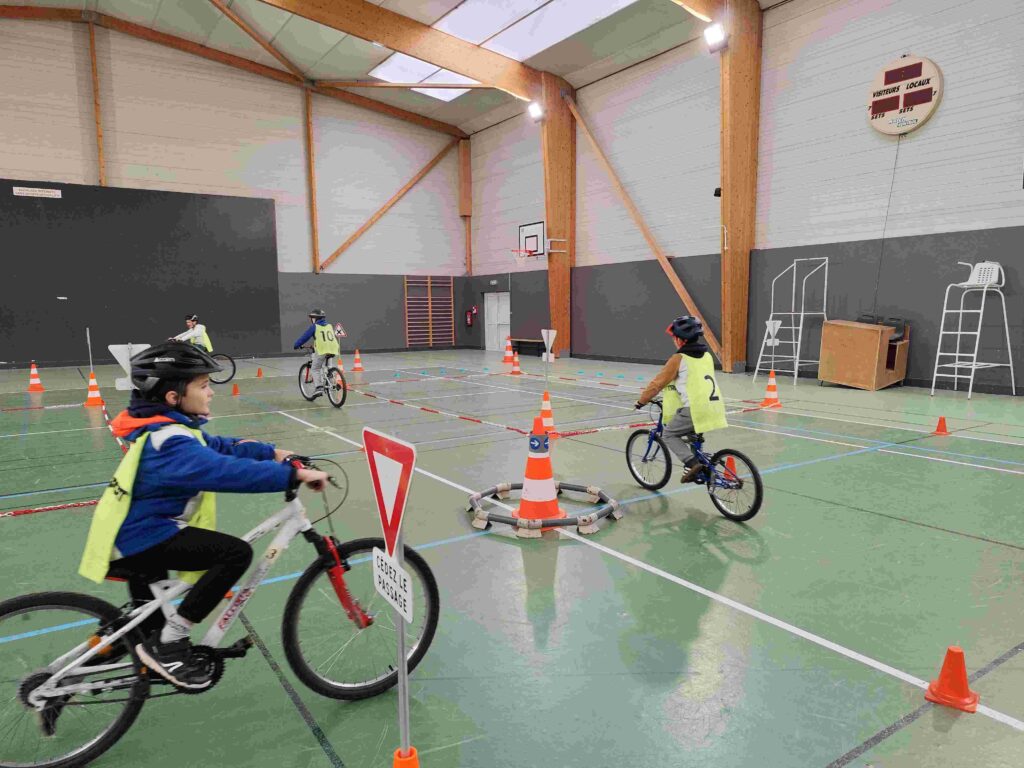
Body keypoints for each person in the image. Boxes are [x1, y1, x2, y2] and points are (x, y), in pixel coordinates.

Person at [78, 341, 328, 690]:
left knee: (143, 625)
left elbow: (220, 446)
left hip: (132, 533)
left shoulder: (169, 429)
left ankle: (70, 676)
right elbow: (222, 470)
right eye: (203, 385)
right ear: (173, 396)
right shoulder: (170, 440)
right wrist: (292, 475)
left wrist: (275, 453)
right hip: (144, 536)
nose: (211, 392)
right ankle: (172, 643)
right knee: (234, 554)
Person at [634, 316, 728, 483]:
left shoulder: (679, 358)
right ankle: (698, 469)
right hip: (715, 406)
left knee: (669, 434)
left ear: (680, 339)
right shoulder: (707, 355)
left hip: (695, 409)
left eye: (674, 338)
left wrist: (641, 401)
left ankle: (692, 464)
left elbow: (657, 384)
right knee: (691, 435)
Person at [293, 308, 340, 397]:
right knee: (329, 367)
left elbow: (305, 337)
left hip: (322, 350)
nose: (311, 320)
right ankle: (332, 382)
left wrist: (296, 345)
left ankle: (319, 387)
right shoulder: (329, 325)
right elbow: (324, 338)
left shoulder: (315, 326)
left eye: (312, 318)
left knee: (315, 369)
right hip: (333, 348)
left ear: (315, 318)